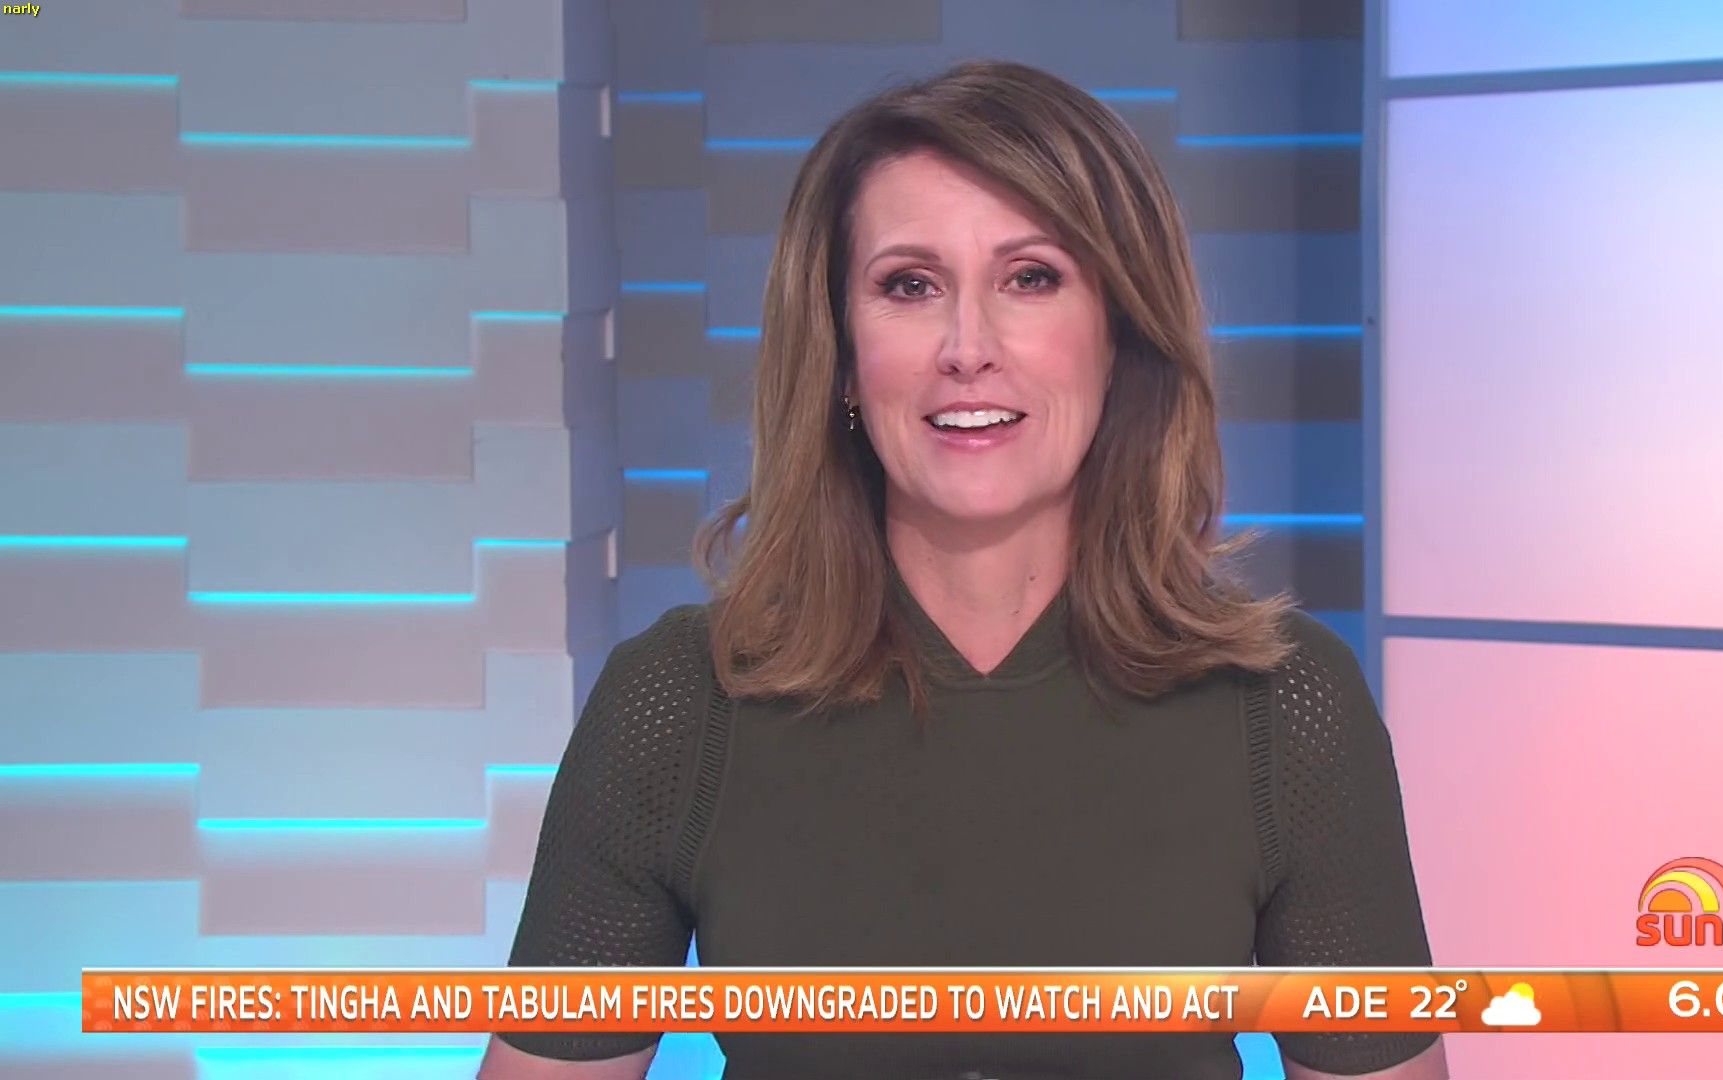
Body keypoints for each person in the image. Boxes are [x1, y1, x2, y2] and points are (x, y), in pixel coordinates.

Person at [478, 59, 1446, 1080]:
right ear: (843, 356)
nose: (967, 347)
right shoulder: (681, 702)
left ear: (1118, 335)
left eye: (1031, 278)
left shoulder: (1284, 706)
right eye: (910, 285)